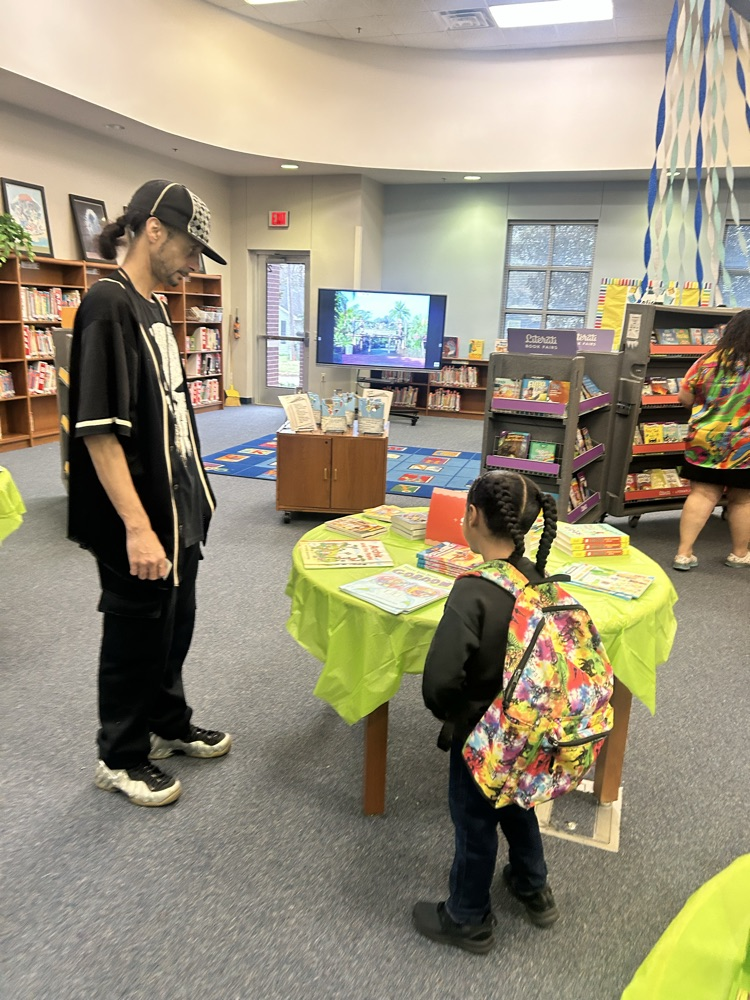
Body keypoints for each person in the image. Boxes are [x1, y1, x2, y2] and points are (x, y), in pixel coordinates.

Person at [67, 179, 231, 807]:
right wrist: (137, 527)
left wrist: (193, 502)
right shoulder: (107, 306)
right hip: (136, 514)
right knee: (135, 630)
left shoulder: (155, 306)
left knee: (174, 621)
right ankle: (121, 753)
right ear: (153, 229)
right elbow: (100, 433)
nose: (194, 265)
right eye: (192, 249)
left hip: (177, 504)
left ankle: (166, 722)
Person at [412, 470, 560, 954]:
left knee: (474, 824)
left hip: (480, 735)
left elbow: (438, 683)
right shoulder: (538, 579)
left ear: (472, 516)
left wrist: (455, 718)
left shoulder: (473, 590)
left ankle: (467, 918)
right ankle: (532, 885)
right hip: (529, 730)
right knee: (518, 806)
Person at [672, 309, 750, 571]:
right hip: (745, 446)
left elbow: (684, 398)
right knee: (743, 499)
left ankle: (684, 553)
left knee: (702, 494)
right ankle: (739, 554)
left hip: (704, 442)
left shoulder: (707, 361)